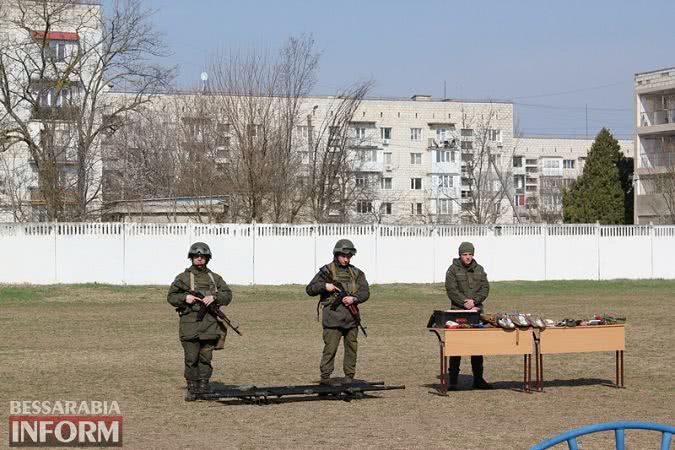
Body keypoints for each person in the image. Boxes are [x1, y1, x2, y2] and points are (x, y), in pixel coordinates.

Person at [167, 242, 232, 401]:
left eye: (202, 256)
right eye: (196, 256)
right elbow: (171, 297)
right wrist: (185, 297)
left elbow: (228, 295)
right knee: (191, 358)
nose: (199, 259)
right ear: (191, 258)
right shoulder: (182, 278)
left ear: (207, 258)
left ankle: (204, 386)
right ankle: (192, 388)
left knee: (206, 358)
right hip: (189, 324)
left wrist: (214, 297)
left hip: (209, 324)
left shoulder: (215, 278)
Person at [305, 239, 370, 385]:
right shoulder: (326, 272)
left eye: (349, 256)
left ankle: (349, 378)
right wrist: (324, 286)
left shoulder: (357, 273)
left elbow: (365, 292)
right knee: (330, 349)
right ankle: (326, 378)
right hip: (332, 319)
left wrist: (354, 299)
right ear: (337, 254)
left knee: (351, 350)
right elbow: (309, 289)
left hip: (351, 319)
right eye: (343, 256)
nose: (346, 259)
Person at [444, 241, 492, 390]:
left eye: (470, 254)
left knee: (477, 347)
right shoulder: (452, 270)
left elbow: (485, 288)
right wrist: (464, 302)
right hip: (458, 311)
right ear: (460, 255)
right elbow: (451, 289)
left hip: (476, 312)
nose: (468, 257)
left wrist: (475, 301)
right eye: (465, 254)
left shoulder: (479, 269)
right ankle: (453, 381)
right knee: (456, 348)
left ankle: (478, 379)